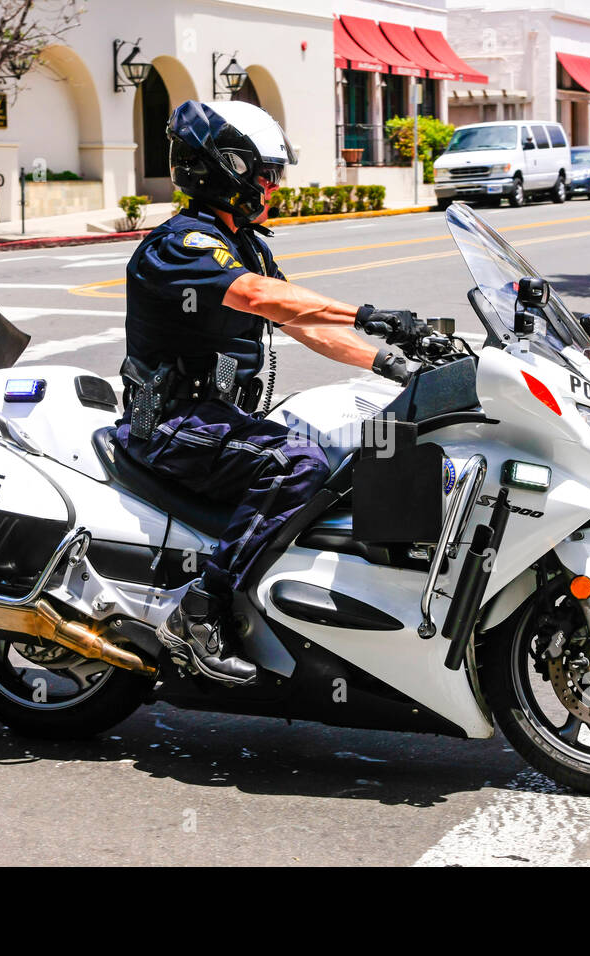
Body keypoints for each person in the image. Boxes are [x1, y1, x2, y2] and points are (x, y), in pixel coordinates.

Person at [118, 100, 415, 685]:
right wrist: (368, 312)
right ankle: (201, 607)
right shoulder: (180, 245)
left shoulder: (244, 242)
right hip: (171, 425)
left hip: (215, 419)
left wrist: (397, 363)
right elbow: (258, 298)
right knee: (295, 463)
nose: (272, 187)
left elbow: (304, 324)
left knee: (351, 449)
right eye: (262, 174)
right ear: (220, 169)